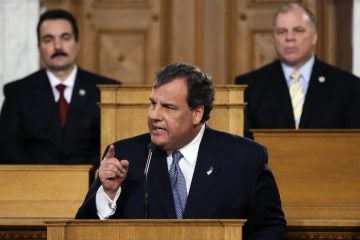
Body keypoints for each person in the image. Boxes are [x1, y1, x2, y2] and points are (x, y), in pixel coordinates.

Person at [75, 63, 286, 240]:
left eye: (168, 107)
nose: (154, 115)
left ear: (197, 114)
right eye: (153, 104)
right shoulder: (123, 155)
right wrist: (108, 194)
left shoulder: (244, 158)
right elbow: (81, 231)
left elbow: (271, 229)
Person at [0, 9, 119, 166]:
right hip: (33, 185)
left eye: (65, 38)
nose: (57, 46)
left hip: (92, 185)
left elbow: (115, 146)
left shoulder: (106, 90)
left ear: (77, 44)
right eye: (48, 39)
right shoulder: (19, 92)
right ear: (39, 47)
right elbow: (7, 149)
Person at [235, 3, 360, 139]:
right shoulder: (249, 86)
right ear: (274, 38)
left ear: (314, 37)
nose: (290, 37)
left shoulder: (348, 86)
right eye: (282, 31)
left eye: (298, 30)